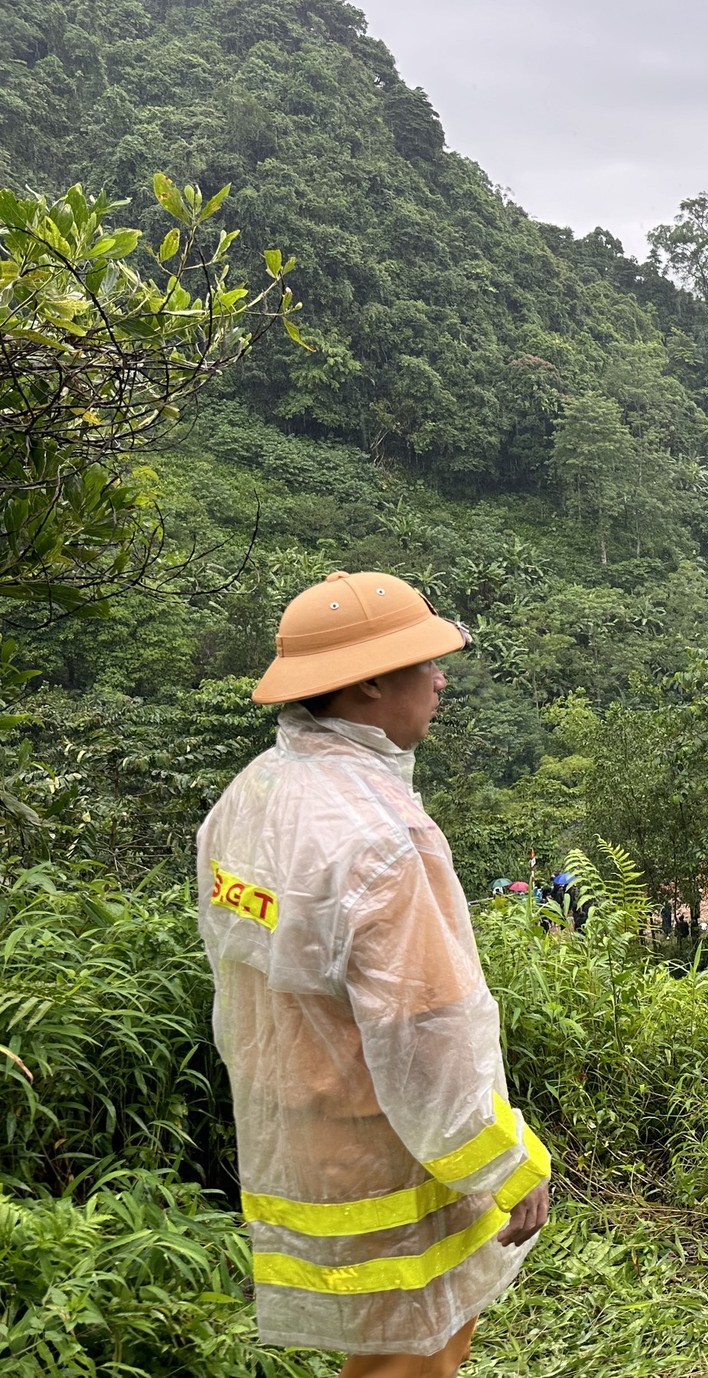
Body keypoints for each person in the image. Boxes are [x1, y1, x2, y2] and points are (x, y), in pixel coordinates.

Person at [197, 571, 550, 1378]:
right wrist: (507, 1161)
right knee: (416, 1344)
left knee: (390, 1345)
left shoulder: (248, 797)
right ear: (366, 683)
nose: (440, 678)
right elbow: (423, 1032)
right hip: (389, 1141)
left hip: (300, 1130)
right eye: (423, 662)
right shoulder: (385, 837)